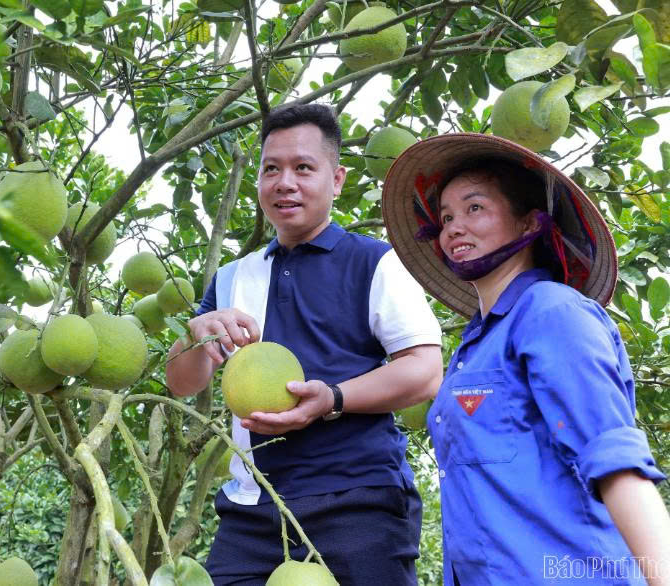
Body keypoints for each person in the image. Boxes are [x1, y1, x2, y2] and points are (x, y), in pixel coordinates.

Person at [165, 104, 443, 585]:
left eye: (303, 168)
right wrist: (197, 332)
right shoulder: (233, 277)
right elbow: (182, 384)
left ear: (335, 180)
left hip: (359, 500)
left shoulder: (376, 262)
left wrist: (332, 399)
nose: (284, 182)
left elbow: (423, 370)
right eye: (271, 169)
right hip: (254, 505)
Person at [382, 132, 670, 585]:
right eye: (446, 217)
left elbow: (613, 455)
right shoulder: (474, 348)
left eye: (475, 208)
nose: (453, 227)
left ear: (529, 224)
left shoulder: (551, 311)